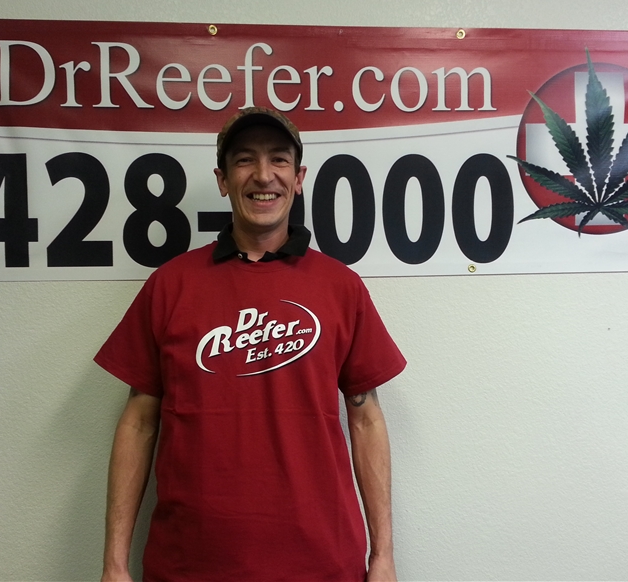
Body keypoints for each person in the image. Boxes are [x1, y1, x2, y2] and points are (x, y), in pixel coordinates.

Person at [95, 106, 406, 582]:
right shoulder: (171, 285)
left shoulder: (341, 287)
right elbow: (137, 423)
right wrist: (114, 564)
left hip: (322, 563)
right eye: (244, 160)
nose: (264, 175)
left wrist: (383, 556)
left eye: (279, 159)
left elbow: (366, 419)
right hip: (190, 565)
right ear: (222, 180)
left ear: (298, 178)